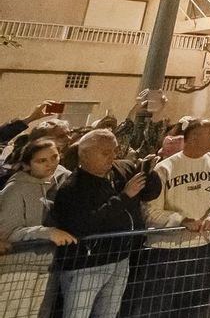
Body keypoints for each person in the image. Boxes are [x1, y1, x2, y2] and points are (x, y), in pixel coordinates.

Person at [50, 129, 161, 318]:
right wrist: (125, 196)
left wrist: (149, 173)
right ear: (85, 154)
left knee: (108, 313)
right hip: (87, 265)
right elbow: (84, 225)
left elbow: (150, 193)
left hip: (120, 259)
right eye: (105, 153)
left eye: (114, 151)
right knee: (78, 314)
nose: (112, 157)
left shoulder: (122, 169)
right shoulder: (72, 188)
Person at [143, 118, 210, 318]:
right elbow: (150, 212)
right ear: (192, 138)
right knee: (165, 308)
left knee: (202, 304)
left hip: (202, 246)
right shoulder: (165, 168)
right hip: (167, 251)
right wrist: (182, 220)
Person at [0, 138, 74, 318]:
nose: (50, 164)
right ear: (27, 165)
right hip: (17, 269)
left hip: (46, 265)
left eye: (54, 157)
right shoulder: (15, 189)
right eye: (42, 161)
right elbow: (7, 234)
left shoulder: (58, 183)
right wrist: (46, 232)